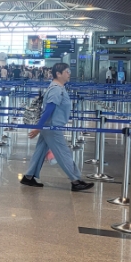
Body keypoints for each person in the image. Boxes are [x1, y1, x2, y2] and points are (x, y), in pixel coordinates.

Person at [21, 62, 94, 191]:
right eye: (67, 71)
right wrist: (38, 128)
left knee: (40, 151)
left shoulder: (57, 87)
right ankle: (75, 180)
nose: (69, 74)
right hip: (52, 127)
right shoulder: (56, 89)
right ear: (58, 74)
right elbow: (49, 109)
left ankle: (28, 177)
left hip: (49, 126)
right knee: (63, 153)